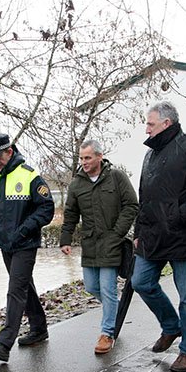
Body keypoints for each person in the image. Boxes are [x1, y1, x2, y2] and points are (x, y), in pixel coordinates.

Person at [132, 101, 186, 372]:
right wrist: (138, 232)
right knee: (141, 282)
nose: (146, 129)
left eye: (150, 124)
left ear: (166, 123)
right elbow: (144, 197)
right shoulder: (150, 155)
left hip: (185, 236)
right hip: (153, 236)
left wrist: (178, 215)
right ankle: (171, 326)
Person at [0, 133, 55, 363]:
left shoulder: (29, 175)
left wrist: (25, 229)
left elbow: (46, 208)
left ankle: (4, 343)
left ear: (10, 151)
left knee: (15, 290)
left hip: (26, 243)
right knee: (24, 285)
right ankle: (39, 329)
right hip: (5, 244)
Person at [60, 139, 139, 354]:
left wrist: (117, 233)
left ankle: (107, 334)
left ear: (99, 156)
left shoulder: (116, 177)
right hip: (90, 244)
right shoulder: (77, 184)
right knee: (91, 287)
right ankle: (113, 311)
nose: (84, 162)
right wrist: (65, 239)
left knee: (107, 288)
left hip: (112, 242)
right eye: (81, 158)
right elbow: (71, 214)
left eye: (88, 157)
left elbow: (132, 205)